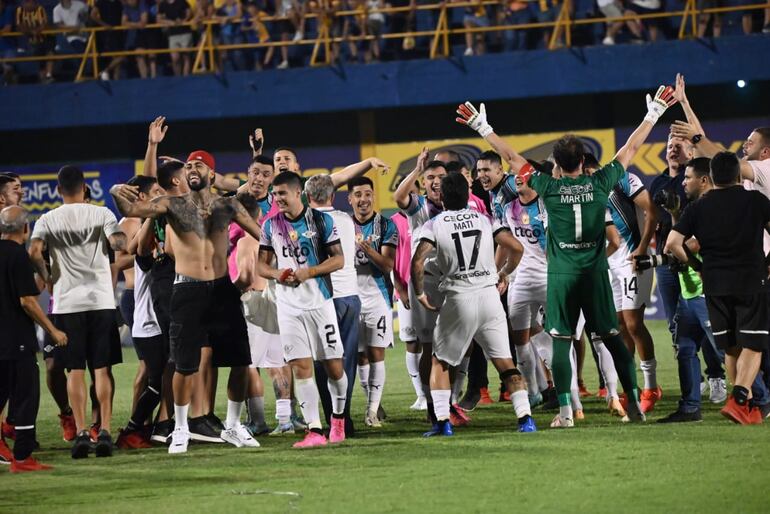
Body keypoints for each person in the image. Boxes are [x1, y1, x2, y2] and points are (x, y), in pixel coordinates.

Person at [456, 85, 677, 427]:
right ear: (582, 161)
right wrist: (653, 114)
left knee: (561, 342)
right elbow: (631, 149)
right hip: (594, 273)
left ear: (556, 164)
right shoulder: (601, 181)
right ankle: (632, 403)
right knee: (613, 338)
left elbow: (514, 159)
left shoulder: (548, 186)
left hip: (561, 275)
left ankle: (564, 413)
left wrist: (482, 128)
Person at [110, 150, 262, 454]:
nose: (193, 168)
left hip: (222, 290)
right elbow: (131, 207)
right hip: (186, 290)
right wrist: (116, 190)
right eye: (189, 165)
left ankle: (233, 426)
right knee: (183, 365)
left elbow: (262, 233)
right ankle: (179, 428)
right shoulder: (171, 205)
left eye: (199, 165)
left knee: (241, 361)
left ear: (211, 174)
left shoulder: (227, 205)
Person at [411, 173, 535, 436]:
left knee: (440, 362)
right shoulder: (485, 219)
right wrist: (505, 273)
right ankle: (525, 418)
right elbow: (517, 248)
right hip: (490, 298)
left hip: (459, 298)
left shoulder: (433, 225)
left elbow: (417, 262)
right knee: (506, 363)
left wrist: (421, 293)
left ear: (442, 197)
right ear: (467, 197)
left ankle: (443, 422)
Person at [29, 166, 127, 458]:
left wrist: (46, 274)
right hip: (100, 301)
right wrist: (112, 242)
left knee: (74, 370)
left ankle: (82, 431)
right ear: (85, 188)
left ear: (59, 190)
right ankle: (105, 430)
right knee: (102, 369)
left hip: (67, 302)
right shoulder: (102, 214)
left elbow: (34, 252)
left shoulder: (47, 219)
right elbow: (118, 243)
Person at [665, 152, 770, 425]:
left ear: (711, 177)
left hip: (714, 284)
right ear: (738, 175)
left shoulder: (699, 207)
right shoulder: (756, 200)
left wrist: (698, 266)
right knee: (754, 344)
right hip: (751, 281)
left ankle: (741, 408)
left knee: (732, 347)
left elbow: (673, 244)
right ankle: (739, 399)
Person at [256, 172, 349, 448]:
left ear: (299, 193)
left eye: (282, 193)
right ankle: (315, 430)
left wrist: (310, 272)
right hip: (289, 307)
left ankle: (338, 417)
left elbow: (339, 260)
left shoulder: (322, 220)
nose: (277, 198)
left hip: (320, 304)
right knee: (300, 366)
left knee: (334, 367)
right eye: (275, 194)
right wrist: (277, 274)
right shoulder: (270, 225)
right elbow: (261, 265)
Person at [584, 153, 661, 413]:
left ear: (586, 167)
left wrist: (641, 249)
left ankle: (651, 386)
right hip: (610, 266)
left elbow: (652, 211)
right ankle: (632, 388)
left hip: (632, 261)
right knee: (617, 327)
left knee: (633, 323)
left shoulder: (622, 179)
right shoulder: (585, 191)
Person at [639, 157, 712, 423]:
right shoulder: (693, 208)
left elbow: (681, 244)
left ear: (704, 180)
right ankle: (691, 406)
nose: (683, 182)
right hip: (689, 291)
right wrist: (674, 215)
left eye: (688, 178)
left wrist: (691, 261)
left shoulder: (712, 207)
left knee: (728, 350)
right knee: (685, 347)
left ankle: (758, 398)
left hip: (708, 292)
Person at [0, 206, 67, 472]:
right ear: (25, 229)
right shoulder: (18, 256)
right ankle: (23, 458)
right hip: (16, 339)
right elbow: (27, 301)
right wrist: (53, 330)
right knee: (27, 396)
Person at [305, 173, 362, 436]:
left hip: (323, 298)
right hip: (350, 296)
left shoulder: (310, 223)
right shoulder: (346, 219)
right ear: (333, 195)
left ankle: (332, 419)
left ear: (307, 197)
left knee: (322, 361)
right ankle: (344, 418)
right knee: (346, 361)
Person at [347, 176, 399, 427]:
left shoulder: (386, 226)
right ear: (350, 199)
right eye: (358, 194)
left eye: (367, 194)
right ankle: (373, 403)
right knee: (360, 357)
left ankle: (371, 412)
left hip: (377, 298)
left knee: (376, 354)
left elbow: (388, 265)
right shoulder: (343, 225)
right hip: (350, 299)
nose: (363, 199)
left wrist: (369, 251)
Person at [15, 0, 54, 83]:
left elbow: (44, 23)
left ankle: (49, 75)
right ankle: (42, 78)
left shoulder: (40, 9)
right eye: (26, 2)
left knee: (49, 52)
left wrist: (37, 31)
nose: (27, 4)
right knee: (38, 56)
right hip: (33, 39)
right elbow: (19, 25)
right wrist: (30, 31)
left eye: (30, 2)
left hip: (46, 37)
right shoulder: (20, 10)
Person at [91, 0, 125, 80]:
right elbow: (93, 15)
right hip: (108, 34)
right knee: (122, 56)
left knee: (117, 58)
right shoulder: (101, 2)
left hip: (119, 32)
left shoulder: (118, 2)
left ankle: (116, 80)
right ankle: (105, 71)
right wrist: (104, 25)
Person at [158, 0, 193, 76]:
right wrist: (169, 22)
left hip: (185, 32)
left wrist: (183, 20)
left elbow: (189, 12)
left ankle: (186, 77)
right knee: (175, 58)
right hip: (172, 34)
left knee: (186, 56)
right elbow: (158, 19)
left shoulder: (182, 1)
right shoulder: (163, 4)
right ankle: (178, 77)